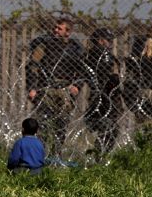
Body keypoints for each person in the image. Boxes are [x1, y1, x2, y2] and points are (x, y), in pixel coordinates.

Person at [26, 17, 84, 154]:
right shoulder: (45, 45)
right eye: (55, 27)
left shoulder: (75, 49)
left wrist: (77, 85)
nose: (55, 30)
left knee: (61, 125)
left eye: (59, 28)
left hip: (65, 89)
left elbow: (82, 70)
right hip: (46, 88)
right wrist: (32, 87)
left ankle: (56, 155)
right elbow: (32, 67)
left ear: (68, 32)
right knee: (43, 123)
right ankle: (40, 154)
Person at [83, 28, 123, 153]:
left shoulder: (105, 56)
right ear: (100, 40)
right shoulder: (98, 56)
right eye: (108, 40)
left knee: (110, 127)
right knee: (108, 126)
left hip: (108, 95)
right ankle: (98, 153)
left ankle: (99, 152)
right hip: (103, 96)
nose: (110, 43)